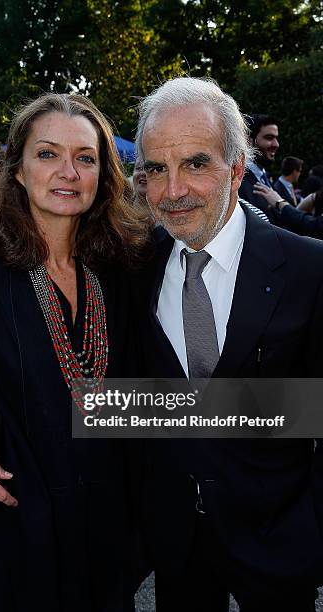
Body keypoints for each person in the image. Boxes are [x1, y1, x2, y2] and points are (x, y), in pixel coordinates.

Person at [0, 93, 149, 611]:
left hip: (111, 545)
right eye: (47, 154)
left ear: (103, 175)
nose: (68, 171)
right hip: (21, 543)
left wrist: (278, 415)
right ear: (17, 171)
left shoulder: (122, 275)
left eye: (85, 158)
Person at [133, 76, 323, 611]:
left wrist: (309, 533)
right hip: (176, 545)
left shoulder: (308, 269)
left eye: (195, 163)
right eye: (156, 169)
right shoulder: (134, 267)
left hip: (280, 542)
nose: (172, 191)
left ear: (236, 170)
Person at [238, 113, 279, 216]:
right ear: (248, 141)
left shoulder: (265, 177)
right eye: (269, 138)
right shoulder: (238, 181)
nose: (276, 144)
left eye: (276, 138)